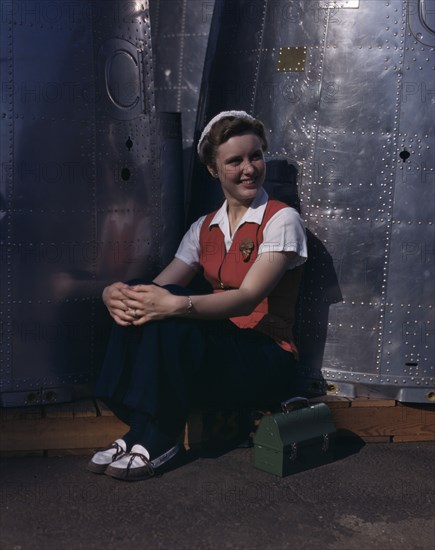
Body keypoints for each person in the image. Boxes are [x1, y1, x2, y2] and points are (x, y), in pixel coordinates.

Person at [87, 110, 308, 481]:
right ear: (213, 169)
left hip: (266, 357)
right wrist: (117, 294)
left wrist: (179, 304)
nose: (249, 169)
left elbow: (249, 297)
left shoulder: (281, 219)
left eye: (255, 156)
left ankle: (160, 435)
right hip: (223, 352)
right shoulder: (204, 227)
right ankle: (139, 428)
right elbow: (157, 288)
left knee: (172, 304)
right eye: (234, 161)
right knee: (148, 300)